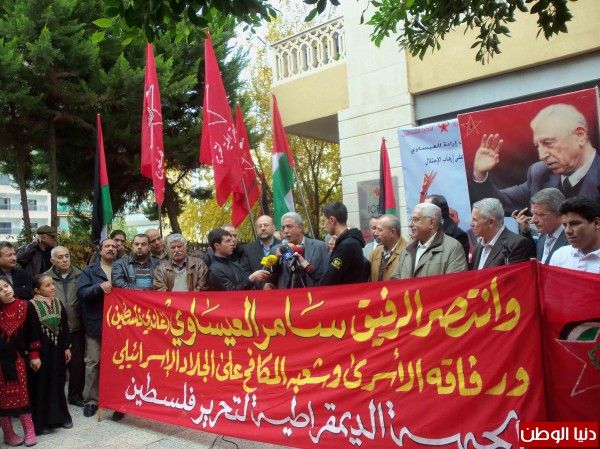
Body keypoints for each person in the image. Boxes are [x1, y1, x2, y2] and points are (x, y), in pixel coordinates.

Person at [471, 104, 600, 212]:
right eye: (538, 146)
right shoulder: (540, 173)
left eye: (548, 143)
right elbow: (500, 203)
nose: (542, 156)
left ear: (580, 136)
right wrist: (480, 174)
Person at [77, 239, 117, 419]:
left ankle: (116, 399)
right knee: (94, 361)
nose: (111, 249)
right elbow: (81, 293)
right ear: (100, 251)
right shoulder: (89, 271)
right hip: (96, 324)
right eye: (107, 246)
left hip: (120, 325)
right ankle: (91, 401)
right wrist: (98, 287)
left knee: (118, 363)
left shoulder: (121, 268)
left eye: (114, 247)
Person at [28, 274, 72, 435]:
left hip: (57, 351)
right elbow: (30, 332)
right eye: (47, 285)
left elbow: (64, 326)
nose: (52, 287)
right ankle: (41, 423)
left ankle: (61, 417)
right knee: (42, 385)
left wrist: (66, 347)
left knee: (58, 382)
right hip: (41, 354)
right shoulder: (31, 306)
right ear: (37, 290)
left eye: (52, 284)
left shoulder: (57, 303)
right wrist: (34, 356)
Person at [0, 278, 41, 447]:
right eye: (0, 290)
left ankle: (29, 430)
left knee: (23, 394)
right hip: (0, 362)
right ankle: (8, 433)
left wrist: (34, 355)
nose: (5, 290)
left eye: (6, 286)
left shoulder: (26, 306)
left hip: (18, 359)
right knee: (1, 397)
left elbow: (33, 332)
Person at [44, 246, 85, 408]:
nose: (64, 260)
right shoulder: (46, 277)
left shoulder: (80, 275)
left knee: (77, 364)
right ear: (52, 260)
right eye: (60, 257)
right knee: (56, 364)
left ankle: (75, 395)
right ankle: (57, 397)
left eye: (67, 256)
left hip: (76, 327)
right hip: (54, 329)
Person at [391, 203, 467, 279]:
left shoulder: (453, 248)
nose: (410, 224)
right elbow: (395, 281)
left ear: (431, 223)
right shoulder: (406, 250)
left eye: (415, 220)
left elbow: (455, 282)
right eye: (410, 220)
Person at [265, 212, 329, 289]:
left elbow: (327, 275)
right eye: (283, 228)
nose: (285, 231)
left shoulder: (319, 246)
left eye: (289, 226)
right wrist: (276, 261)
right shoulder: (276, 250)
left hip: (312, 294)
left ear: (300, 228)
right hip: (287, 295)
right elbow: (269, 280)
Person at [470, 198, 533, 270]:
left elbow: (512, 276)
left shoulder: (517, 245)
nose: (471, 224)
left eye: (474, 220)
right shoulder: (477, 248)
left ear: (491, 222)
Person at [511, 188, 568, 264]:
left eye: (540, 214)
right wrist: (526, 232)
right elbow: (532, 255)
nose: (534, 220)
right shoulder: (543, 236)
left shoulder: (573, 241)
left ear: (559, 213)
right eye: (533, 214)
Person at [550, 196, 600, 273]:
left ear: (596, 223)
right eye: (565, 225)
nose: (568, 231)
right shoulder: (560, 255)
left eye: (575, 223)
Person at [426, 194, 470, 261]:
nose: (422, 212)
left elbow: (457, 264)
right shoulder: (426, 231)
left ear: (437, 211)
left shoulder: (458, 235)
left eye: (425, 209)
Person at [240, 215, 281, 283]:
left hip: (281, 288)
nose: (263, 228)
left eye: (266, 225)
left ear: (274, 228)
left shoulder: (282, 246)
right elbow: (245, 273)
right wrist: (262, 286)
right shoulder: (248, 249)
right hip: (257, 288)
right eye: (259, 226)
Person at [369, 214, 407, 282]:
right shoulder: (374, 254)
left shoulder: (408, 252)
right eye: (376, 229)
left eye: (380, 230)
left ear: (393, 232)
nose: (376, 233)